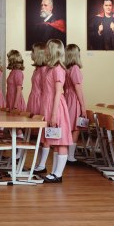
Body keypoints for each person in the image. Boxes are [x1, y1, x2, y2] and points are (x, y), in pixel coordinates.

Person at [37, 39, 72, 183]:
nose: (45, 50)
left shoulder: (58, 69)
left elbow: (58, 92)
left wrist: (54, 114)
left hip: (56, 108)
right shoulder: (50, 69)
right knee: (56, 142)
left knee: (61, 142)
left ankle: (58, 174)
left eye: (47, 48)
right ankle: (54, 172)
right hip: (50, 106)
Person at [64, 44, 87, 164]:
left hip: (67, 98)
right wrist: (83, 107)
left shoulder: (66, 69)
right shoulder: (75, 69)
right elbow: (78, 89)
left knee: (69, 126)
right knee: (76, 128)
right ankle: (70, 156)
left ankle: (67, 154)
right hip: (74, 99)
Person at [26, 43, 46, 115]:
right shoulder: (37, 69)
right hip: (33, 98)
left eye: (33, 51)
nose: (31, 53)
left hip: (39, 100)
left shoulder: (44, 70)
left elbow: (44, 89)